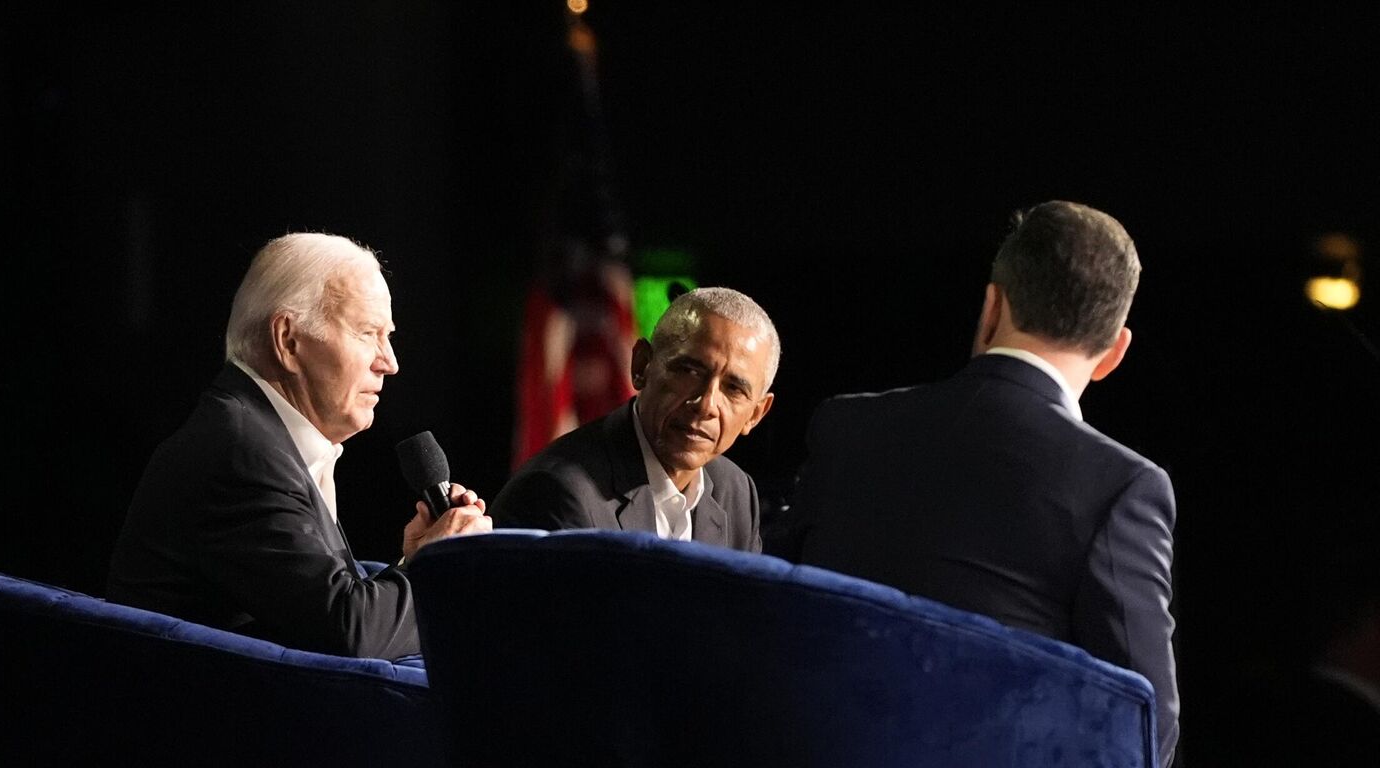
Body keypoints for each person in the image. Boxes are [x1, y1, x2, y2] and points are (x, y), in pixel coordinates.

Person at [772, 201, 1178, 764]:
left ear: (991, 307)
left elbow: (772, 609)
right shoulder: (1122, 486)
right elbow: (1144, 725)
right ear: (1115, 352)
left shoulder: (846, 426)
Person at [105, 232, 492, 660]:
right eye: (367, 333)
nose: (390, 362)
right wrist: (439, 565)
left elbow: (330, 614)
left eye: (389, 336)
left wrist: (416, 560)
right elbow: (350, 635)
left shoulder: (261, 436)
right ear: (288, 340)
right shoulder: (241, 454)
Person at [492, 287, 778, 552]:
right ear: (641, 366)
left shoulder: (736, 491)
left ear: (756, 414)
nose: (706, 405)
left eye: (734, 389)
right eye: (689, 371)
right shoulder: (560, 492)